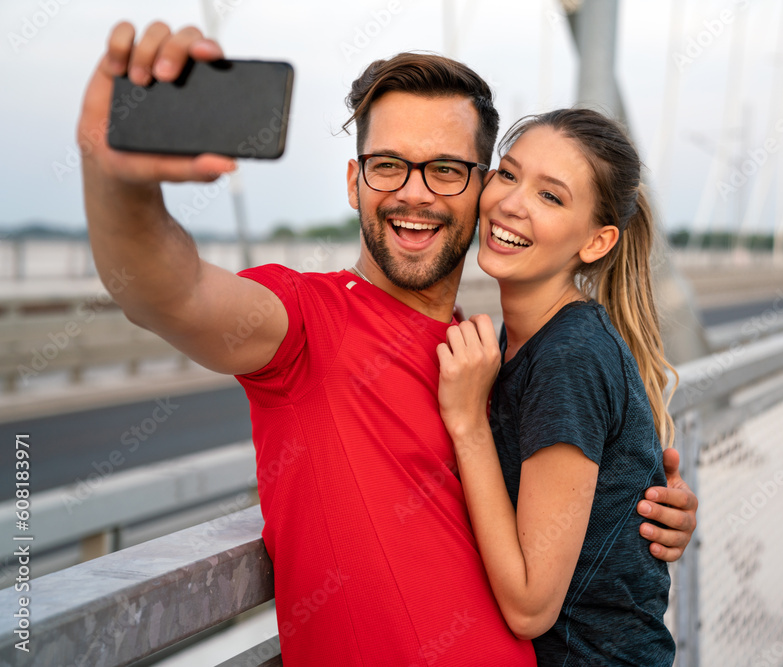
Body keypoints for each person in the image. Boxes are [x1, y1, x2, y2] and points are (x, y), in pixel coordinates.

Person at [77, 20, 698, 665]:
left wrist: (631, 513)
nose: (414, 192)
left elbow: (552, 527)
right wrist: (118, 179)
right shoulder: (304, 323)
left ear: (481, 186)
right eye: (389, 165)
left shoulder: (484, 360)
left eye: (447, 170)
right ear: (355, 182)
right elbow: (169, 292)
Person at [437, 109, 678, 665]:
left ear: (596, 243)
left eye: (551, 197)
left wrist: (468, 421)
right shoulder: (525, 341)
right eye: (508, 174)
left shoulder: (569, 357)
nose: (512, 203)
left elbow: (529, 608)